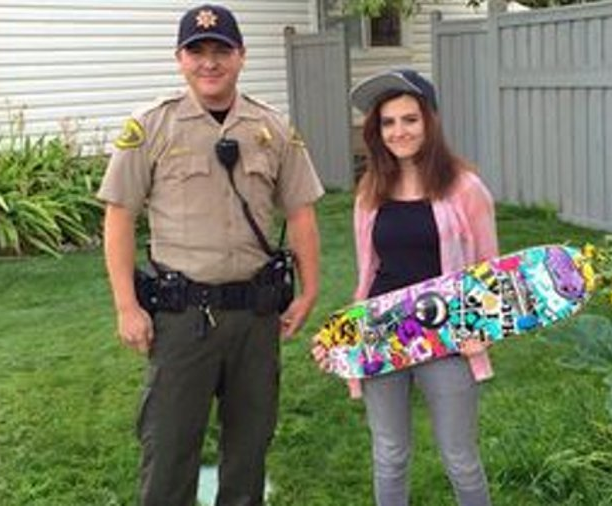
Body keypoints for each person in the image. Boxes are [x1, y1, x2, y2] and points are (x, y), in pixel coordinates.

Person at [97, 4, 324, 505]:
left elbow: (302, 212)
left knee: (249, 447)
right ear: (180, 59)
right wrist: (125, 305)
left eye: (221, 50)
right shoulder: (152, 127)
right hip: (182, 319)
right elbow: (118, 216)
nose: (209, 62)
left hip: (255, 316)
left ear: (240, 56)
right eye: (196, 51)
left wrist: (309, 291)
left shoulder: (273, 128)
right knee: (170, 447)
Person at [350, 69, 497, 506]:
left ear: (429, 121)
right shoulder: (371, 190)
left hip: (448, 335)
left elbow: (489, 271)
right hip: (384, 332)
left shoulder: (465, 188)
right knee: (390, 455)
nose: (399, 131)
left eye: (409, 119)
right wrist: (354, 334)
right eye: (388, 122)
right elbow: (367, 270)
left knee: (460, 457)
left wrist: (479, 328)